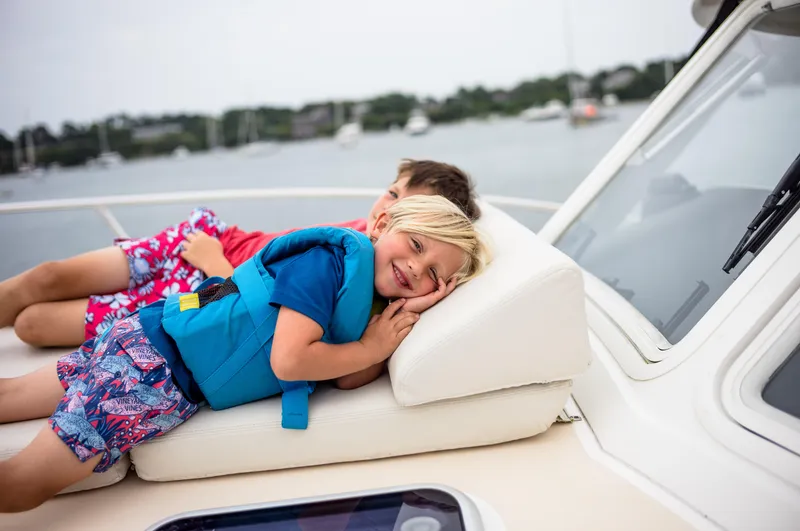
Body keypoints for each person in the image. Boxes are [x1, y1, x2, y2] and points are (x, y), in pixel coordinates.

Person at [0, 195, 491, 513]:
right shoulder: (329, 265)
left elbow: (347, 378)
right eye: (416, 245)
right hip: (151, 372)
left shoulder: (365, 296)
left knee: (13, 396)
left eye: (434, 274)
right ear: (381, 223)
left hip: (146, 338)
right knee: (22, 485)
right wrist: (371, 346)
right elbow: (289, 361)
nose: (416, 268)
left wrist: (394, 327)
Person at [0, 159, 481, 348]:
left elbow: (264, 298)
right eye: (391, 193)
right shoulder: (368, 231)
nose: (386, 207)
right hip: (208, 240)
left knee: (34, 325)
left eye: (405, 207)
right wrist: (212, 248)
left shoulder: (368, 274)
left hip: (210, 286)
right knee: (46, 276)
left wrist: (213, 263)